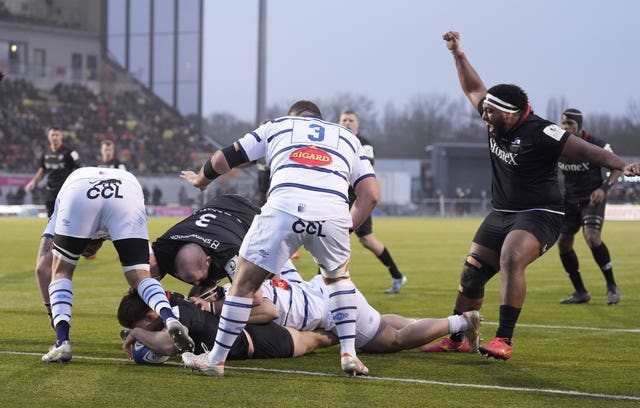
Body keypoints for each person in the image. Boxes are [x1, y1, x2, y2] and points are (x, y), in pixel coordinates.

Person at [422, 31, 629, 360]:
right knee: (472, 272)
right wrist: (458, 53)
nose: (485, 118)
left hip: (541, 214)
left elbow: (588, 151)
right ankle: (459, 337)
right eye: (485, 112)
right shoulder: (495, 116)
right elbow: (473, 88)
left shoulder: (541, 131)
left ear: (513, 114)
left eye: (492, 114)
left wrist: (623, 165)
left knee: (511, 257)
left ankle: (504, 339)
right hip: (502, 212)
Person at [180, 100, 378, 376]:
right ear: (319, 119)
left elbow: (223, 158)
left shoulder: (278, 126)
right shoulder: (348, 137)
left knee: (245, 283)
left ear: (293, 117)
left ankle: (216, 360)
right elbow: (370, 195)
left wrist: (201, 180)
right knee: (337, 280)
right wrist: (345, 228)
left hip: (284, 207)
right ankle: (349, 354)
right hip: (332, 211)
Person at [40, 167, 195, 363]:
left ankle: (62, 341)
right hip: (127, 187)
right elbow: (150, 263)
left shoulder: (65, 194)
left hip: (78, 187)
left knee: (61, 272)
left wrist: (50, 311)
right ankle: (169, 317)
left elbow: (41, 268)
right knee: (140, 277)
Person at [189, 272, 482, 355]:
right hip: (324, 290)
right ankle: (443, 323)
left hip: (332, 306)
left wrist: (219, 312)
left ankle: (460, 322)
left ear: (208, 295)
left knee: (394, 341)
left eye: (197, 302)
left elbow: (270, 310)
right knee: (380, 324)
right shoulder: (237, 283)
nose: (198, 308)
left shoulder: (230, 299)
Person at [117, 289, 335, 361]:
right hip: (239, 329)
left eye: (141, 325)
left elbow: (168, 345)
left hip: (257, 341)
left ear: (149, 316)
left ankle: (347, 335)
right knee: (310, 337)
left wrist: (136, 333)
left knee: (316, 340)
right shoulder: (171, 300)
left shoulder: (176, 311)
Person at [556, 108, 623, 305]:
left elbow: (617, 169)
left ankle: (611, 286)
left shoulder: (596, 144)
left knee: (592, 238)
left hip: (592, 199)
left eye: (570, 124)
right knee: (563, 243)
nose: (566, 128)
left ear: (579, 125)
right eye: (563, 123)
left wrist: (604, 189)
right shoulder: (557, 144)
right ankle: (580, 292)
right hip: (570, 200)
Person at [339, 110, 407, 294]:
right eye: (344, 120)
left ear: (357, 124)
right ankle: (323, 283)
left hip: (358, 197)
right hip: (339, 197)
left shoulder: (364, 144)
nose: (347, 123)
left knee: (367, 239)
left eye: (351, 120)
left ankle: (396, 275)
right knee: (332, 237)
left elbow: (365, 170)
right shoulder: (335, 141)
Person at [25, 126, 82, 217]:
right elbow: (43, 170)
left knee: (65, 217)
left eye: (57, 135)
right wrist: (33, 182)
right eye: (52, 135)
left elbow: (80, 169)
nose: (54, 137)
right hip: (50, 191)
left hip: (65, 191)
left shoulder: (70, 153)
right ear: (49, 137)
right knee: (51, 217)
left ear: (61, 136)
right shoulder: (45, 153)